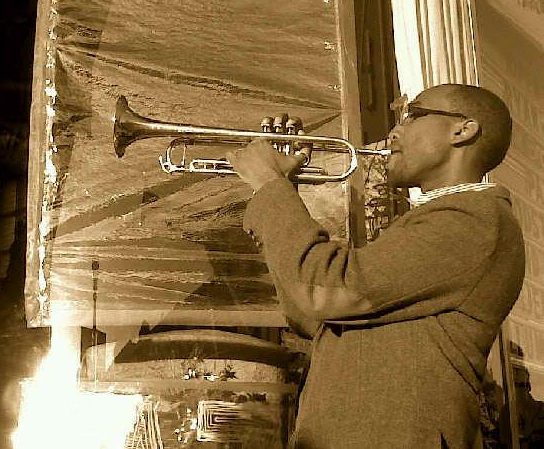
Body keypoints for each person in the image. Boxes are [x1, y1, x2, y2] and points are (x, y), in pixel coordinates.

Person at [225, 84, 526, 448]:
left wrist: (271, 188)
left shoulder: (473, 220)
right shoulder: (438, 221)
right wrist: (285, 192)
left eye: (412, 114)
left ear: (462, 130)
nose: (393, 131)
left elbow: (323, 291)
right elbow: (314, 316)